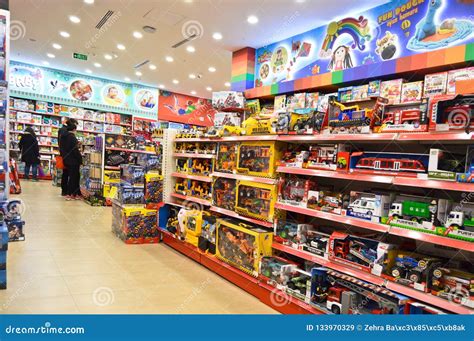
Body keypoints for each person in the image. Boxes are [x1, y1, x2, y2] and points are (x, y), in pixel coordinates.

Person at [60, 121, 82, 200]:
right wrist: (80, 159)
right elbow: (75, 150)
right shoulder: (72, 137)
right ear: (73, 129)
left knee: (72, 176)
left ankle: (75, 194)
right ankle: (70, 194)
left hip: (66, 159)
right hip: (73, 160)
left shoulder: (63, 137)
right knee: (74, 177)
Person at [58, 118, 78, 196]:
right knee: (67, 173)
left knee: (66, 173)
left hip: (65, 154)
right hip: (67, 155)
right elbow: (64, 143)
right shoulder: (65, 131)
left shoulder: (63, 130)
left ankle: (65, 190)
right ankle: (66, 191)